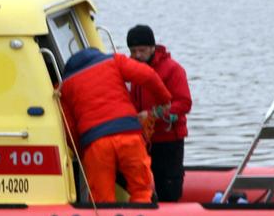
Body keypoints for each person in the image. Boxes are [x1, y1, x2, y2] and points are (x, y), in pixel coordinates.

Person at [59, 47, 172, 204]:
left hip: (95, 143)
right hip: (129, 135)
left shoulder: (64, 86)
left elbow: (68, 126)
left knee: (102, 199)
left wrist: (82, 152)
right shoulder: (114, 61)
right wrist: (165, 99)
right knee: (141, 189)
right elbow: (148, 75)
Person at [126, 24, 192, 202]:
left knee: (169, 189)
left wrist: (153, 114)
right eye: (133, 51)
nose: (138, 55)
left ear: (153, 48)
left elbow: (184, 103)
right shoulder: (129, 70)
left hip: (168, 140)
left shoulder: (172, 70)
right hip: (140, 140)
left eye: (142, 50)